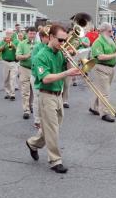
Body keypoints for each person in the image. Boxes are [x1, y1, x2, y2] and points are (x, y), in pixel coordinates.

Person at [25, 24, 80, 173]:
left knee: (52, 127)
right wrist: (67, 73)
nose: (63, 43)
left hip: (58, 94)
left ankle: (33, 143)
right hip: (46, 94)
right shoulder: (41, 55)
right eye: (60, 40)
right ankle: (55, 160)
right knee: (53, 130)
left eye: (65, 40)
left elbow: (65, 68)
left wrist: (70, 59)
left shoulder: (60, 52)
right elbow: (46, 79)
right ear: (50, 37)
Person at [89, 22, 116, 123]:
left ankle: (93, 107)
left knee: (101, 89)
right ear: (103, 31)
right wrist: (115, 55)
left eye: (111, 31)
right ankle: (104, 113)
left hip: (111, 68)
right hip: (100, 68)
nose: (111, 32)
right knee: (105, 92)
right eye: (109, 31)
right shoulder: (98, 42)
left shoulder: (110, 40)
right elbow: (100, 57)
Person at [30, 26, 50, 128]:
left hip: (47, 77)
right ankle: (37, 120)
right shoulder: (37, 47)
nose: (49, 38)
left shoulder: (51, 47)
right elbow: (34, 62)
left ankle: (45, 119)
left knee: (46, 99)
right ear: (42, 37)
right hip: (37, 76)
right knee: (37, 98)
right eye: (47, 36)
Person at [16, 27, 37, 119]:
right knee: (25, 90)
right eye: (30, 33)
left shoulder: (39, 44)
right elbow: (17, 57)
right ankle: (26, 110)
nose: (32, 35)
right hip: (24, 68)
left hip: (34, 69)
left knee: (33, 89)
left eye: (34, 33)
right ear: (27, 34)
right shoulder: (22, 43)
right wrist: (27, 56)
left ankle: (31, 105)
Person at [0, 29, 19, 100]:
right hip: (5, 62)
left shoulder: (16, 41)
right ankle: (7, 92)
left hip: (13, 62)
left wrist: (11, 43)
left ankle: (12, 94)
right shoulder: (3, 41)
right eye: (7, 33)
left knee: (12, 79)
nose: (9, 35)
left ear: (12, 34)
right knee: (6, 79)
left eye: (10, 33)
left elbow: (18, 50)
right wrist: (5, 43)